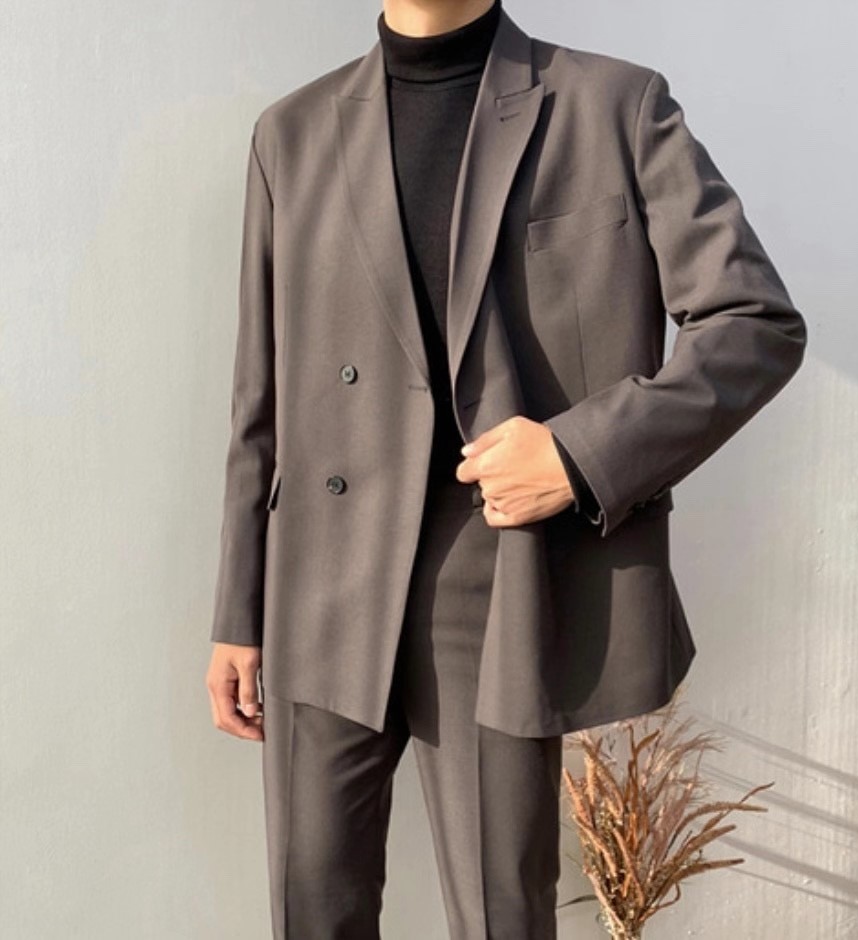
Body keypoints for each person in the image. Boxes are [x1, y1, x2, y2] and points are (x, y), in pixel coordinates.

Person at [204, 0, 808, 937]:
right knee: (311, 909)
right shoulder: (290, 134)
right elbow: (262, 397)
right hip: (319, 584)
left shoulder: (613, 105)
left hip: (497, 582)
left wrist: (577, 453)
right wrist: (239, 612)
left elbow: (753, 324)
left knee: (501, 917)